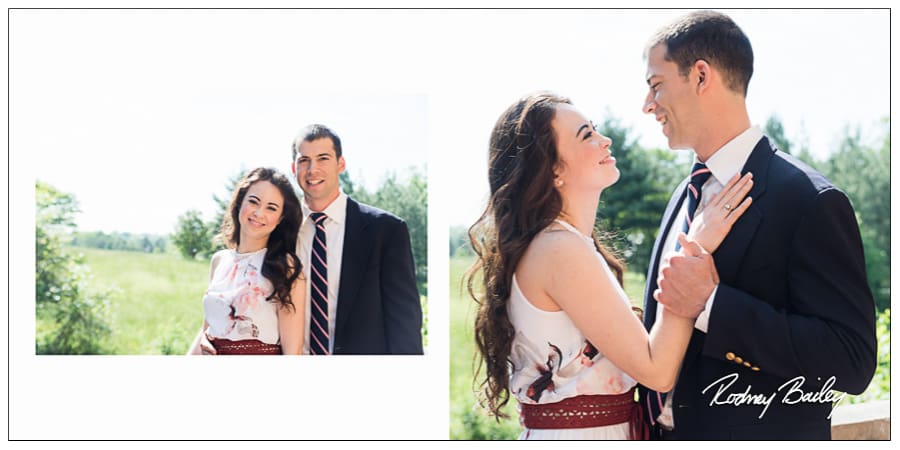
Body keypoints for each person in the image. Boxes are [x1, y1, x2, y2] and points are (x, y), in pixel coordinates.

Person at [638, 10, 877, 440]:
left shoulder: (809, 199)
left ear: (701, 76)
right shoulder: (682, 196)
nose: (648, 105)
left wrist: (711, 305)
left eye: (656, 85)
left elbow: (852, 361)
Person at [467, 92, 753, 439]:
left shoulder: (558, 245)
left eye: (596, 130)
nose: (605, 140)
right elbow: (657, 369)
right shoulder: (559, 249)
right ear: (552, 168)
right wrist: (696, 246)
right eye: (587, 135)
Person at [290, 124, 423, 355]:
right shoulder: (282, 231)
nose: (313, 169)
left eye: (323, 158)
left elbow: (405, 323)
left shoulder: (386, 230)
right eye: (304, 160)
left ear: (341, 164)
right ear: (294, 168)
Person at [187, 167, 305, 355]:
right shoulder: (219, 260)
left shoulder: (286, 267)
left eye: (271, 208)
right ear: (240, 202)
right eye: (253, 202)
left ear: (280, 218)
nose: (259, 213)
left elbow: (293, 351)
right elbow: (208, 328)